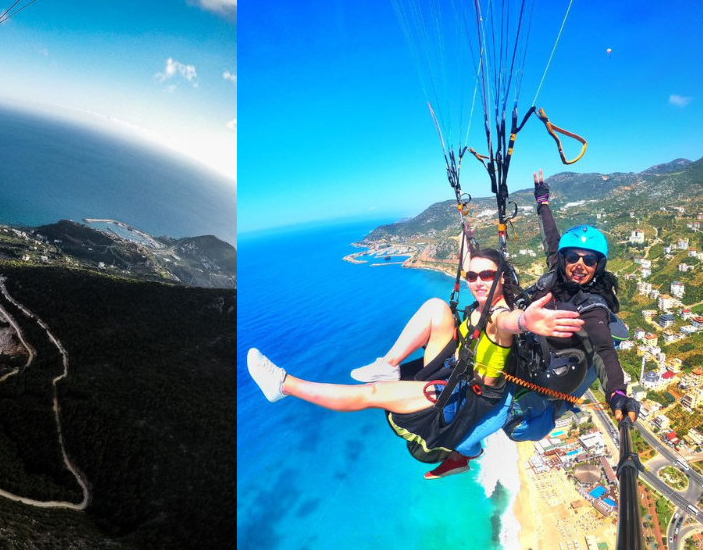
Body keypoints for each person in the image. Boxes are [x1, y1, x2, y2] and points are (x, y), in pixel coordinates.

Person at [247, 243, 583, 479]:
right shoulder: (484, 298)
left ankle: (284, 385)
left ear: (502, 278)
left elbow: (510, 322)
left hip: (470, 397)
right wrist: (463, 224)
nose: (478, 281)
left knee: (372, 394)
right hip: (456, 367)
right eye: (472, 276)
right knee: (438, 307)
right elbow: (473, 263)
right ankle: (390, 362)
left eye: (487, 275)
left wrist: (526, 322)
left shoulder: (500, 314)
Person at [509, 171, 638, 438]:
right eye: (573, 258)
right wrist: (542, 200)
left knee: (523, 431)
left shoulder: (591, 306)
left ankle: (552, 412)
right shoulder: (557, 273)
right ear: (564, 259)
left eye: (589, 260)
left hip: (555, 368)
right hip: (529, 346)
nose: (579, 265)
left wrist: (617, 393)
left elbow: (604, 350)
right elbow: (551, 236)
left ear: (597, 266)